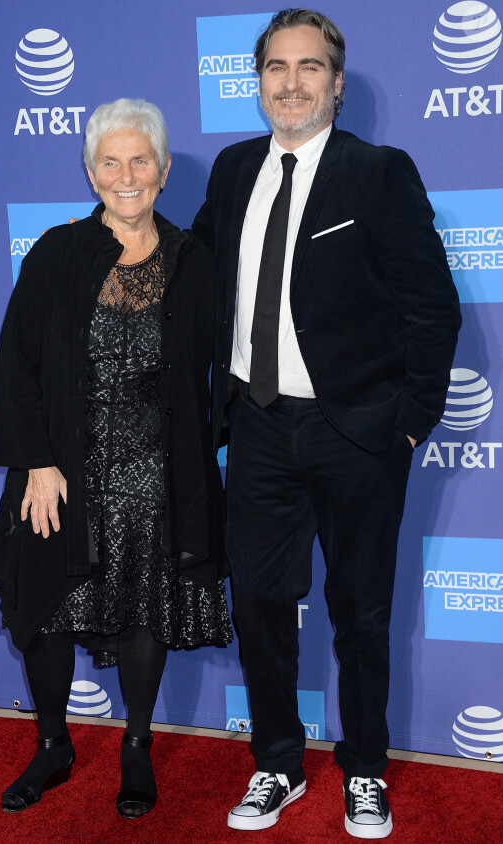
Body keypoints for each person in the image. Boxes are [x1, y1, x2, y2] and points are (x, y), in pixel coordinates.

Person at [192, 9, 461, 839]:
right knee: (263, 605)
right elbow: (194, 279)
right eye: (277, 67)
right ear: (259, 80)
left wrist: (409, 424)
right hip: (259, 425)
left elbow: (432, 308)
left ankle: (367, 770)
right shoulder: (235, 170)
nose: (292, 83)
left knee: (362, 612)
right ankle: (277, 761)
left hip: (356, 429)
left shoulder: (379, 173)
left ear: (337, 84)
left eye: (310, 68)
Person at [0, 98, 232, 819]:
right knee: (49, 609)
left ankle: (135, 745)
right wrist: (36, 460)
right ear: (92, 171)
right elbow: (16, 364)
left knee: (142, 612)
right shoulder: (56, 254)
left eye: (141, 161)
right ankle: (54, 745)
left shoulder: (194, 261)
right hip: (62, 467)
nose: (127, 176)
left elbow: (224, 368)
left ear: (162, 170)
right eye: (111, 162)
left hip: (158, 475)